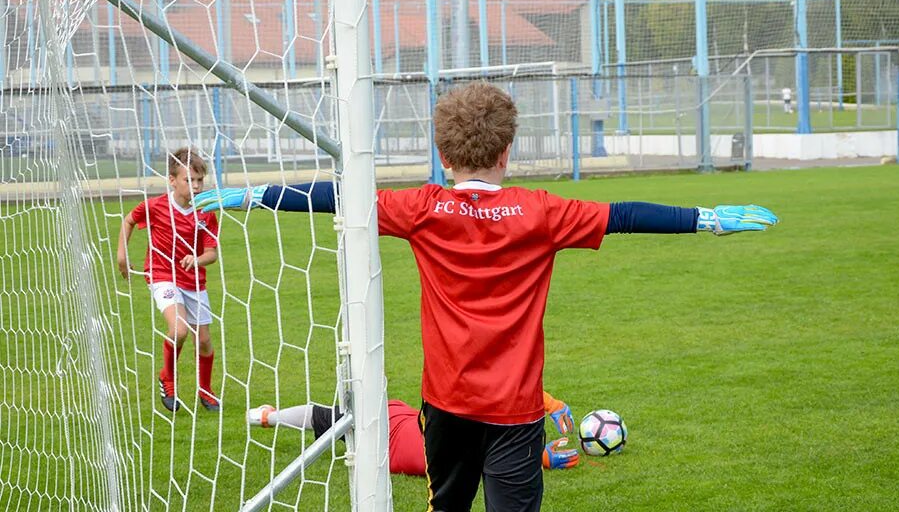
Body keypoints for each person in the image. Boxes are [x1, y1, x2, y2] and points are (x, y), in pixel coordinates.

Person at [195, 81, 778, 511]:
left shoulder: (422, 207)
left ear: (443, 157)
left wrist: (255, 195)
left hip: (444, 408)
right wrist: (705, 218)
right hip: (515, 411)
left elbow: (335, 196)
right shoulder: (540, 211)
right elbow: (624, 214)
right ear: (507, 152)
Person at [246, 391, 580, 475]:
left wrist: (549, 404)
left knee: (326, 417)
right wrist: (540, 458)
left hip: (399, 416)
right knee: (326, 417)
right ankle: (267, 416)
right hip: (397, 422)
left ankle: (267, 416)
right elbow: (483, 456)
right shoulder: (439, 456)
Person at [117, 147, 221, 413]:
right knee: (180, 330)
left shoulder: (207, 211)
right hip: (162, 275)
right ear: (172, 180)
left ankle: (205, 390)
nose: (196, 186)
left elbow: (211, 253)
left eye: (200, 180)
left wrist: (196, 260)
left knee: (205, 341)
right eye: (190, 180)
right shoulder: (156, 205)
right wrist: (122, 254)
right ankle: (168, 378)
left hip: (194, 280)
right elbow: (129, 220)